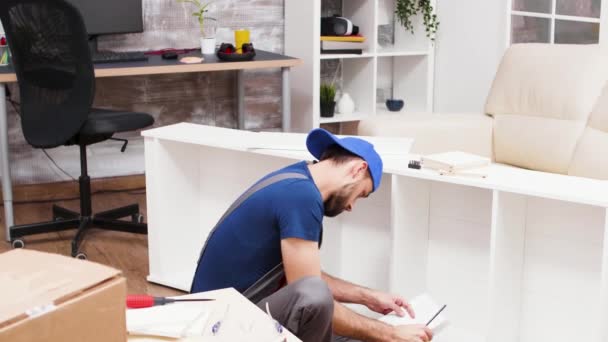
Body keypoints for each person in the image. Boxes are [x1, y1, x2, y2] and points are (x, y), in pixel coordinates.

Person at [191, 128, 433, 342]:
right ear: (358, 169)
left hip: (225, 312)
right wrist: (389, 334)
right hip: (216, 326)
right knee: (340, 314)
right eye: (361, 194)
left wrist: (368, 297)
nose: (351, 206)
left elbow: (305, 278)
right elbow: (310, 296)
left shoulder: (296, 179)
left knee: (355, 331)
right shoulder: (302, 198)